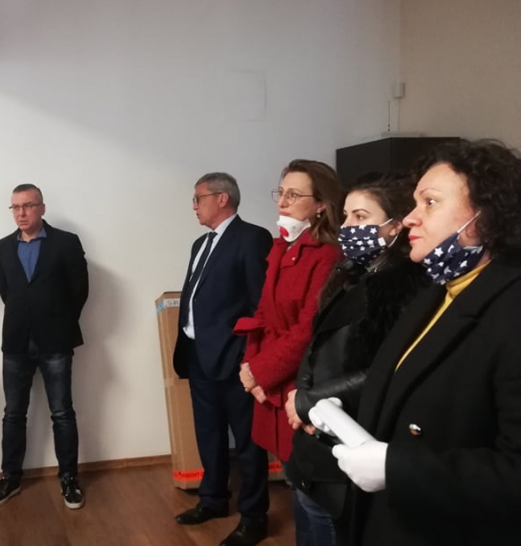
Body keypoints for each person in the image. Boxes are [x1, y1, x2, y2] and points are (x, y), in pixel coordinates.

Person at [326, 140, 521, 545]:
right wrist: (341, 408)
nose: (411, 218)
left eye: (430, 203)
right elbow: (409, 386)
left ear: (487, 214)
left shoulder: (511, 310)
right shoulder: (436, 292)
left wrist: (396, 468)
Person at [282, 173, 429, 546]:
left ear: (395, 225)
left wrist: (309, 401)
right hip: (312, 438)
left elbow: (388, 369)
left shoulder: (407, 288)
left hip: (347, 439)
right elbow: (316, 345)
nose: (347, 227)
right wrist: (302, 399)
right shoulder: (348, 273)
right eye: (346, 216)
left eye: (361, 217)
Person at [233, 159, 341, 543]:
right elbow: (262, 313)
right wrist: (250, 368)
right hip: (271, 378)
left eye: (294, 195)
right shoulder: (281, 247)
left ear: (321, 204)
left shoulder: (328, 255)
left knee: (312, 494)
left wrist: (261, 372)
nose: (282, 202)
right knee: (295, 486)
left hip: (300, 383)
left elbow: (307, 330)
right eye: (281, 193)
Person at [172, 173, 273, 546]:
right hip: (197, 354)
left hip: (234, 359)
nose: (194, 206)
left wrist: (249, 358)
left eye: (198, 198)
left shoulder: (252, 238)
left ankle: (254, 517)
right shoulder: (201, 243)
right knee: (208, 433)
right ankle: (213, 499)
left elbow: (260, 305)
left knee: (247, 441)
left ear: (222, 198)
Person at [0, 183, 89, 510]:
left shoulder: (66, 243)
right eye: (15, 207)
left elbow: (80, 291)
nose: (21, 213)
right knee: (13, 413)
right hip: (16, 341)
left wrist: (57, 321)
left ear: (42, 208)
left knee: (62, 412)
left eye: (28, 206)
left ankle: (69, 478)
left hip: (56, 340)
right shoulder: (3, 247)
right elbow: (7, 292)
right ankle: (10, 478)